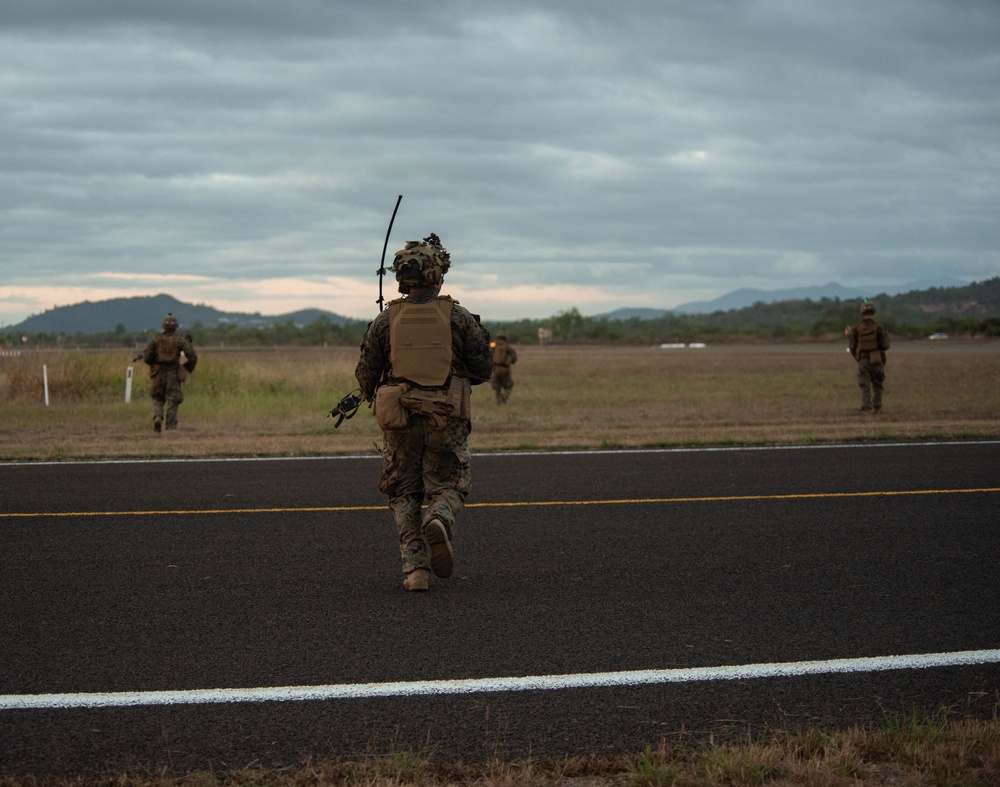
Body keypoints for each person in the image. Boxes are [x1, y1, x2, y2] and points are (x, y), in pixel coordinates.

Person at [355, 233, 493, 592]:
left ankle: (415, 569)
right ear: (437, 276)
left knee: (403, 491)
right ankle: (441, 516)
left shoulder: (385, 321)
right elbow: (482, 369)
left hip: (399, 420)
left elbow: (366, 376)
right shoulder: (459, 317)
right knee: (449, 484)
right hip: (445, 417)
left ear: (402, 278)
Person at [142, 313, 197, 432]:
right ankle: (170, 427)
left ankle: (157, 416)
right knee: (173, 400)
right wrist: (187, 366)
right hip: (174, 372)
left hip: (158, 373)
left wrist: (154, 364)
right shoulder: (180, 340)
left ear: (163, 326)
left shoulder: (156, 339)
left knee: (157, 397)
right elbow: (191, 354)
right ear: (176, 326)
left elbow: (146, 356)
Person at [848, 301, 890, 413]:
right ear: (873, 313)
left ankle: (866, 405)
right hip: (876, 359)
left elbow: (851, 346)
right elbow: (886, 345)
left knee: (864, 383)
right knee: (877, 383)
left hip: (863, 359)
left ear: (862, 312)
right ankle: (877, 405)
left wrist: (857, 357)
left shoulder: (856, 328)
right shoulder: (879, 327)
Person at [490, 332, 518, 404]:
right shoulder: (507, 347)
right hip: (505, 370)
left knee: (497, 387)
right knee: (508, 387)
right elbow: (514, 359)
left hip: (495, 369)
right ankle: (504, 397)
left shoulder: (493, 345)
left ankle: (499, 401)